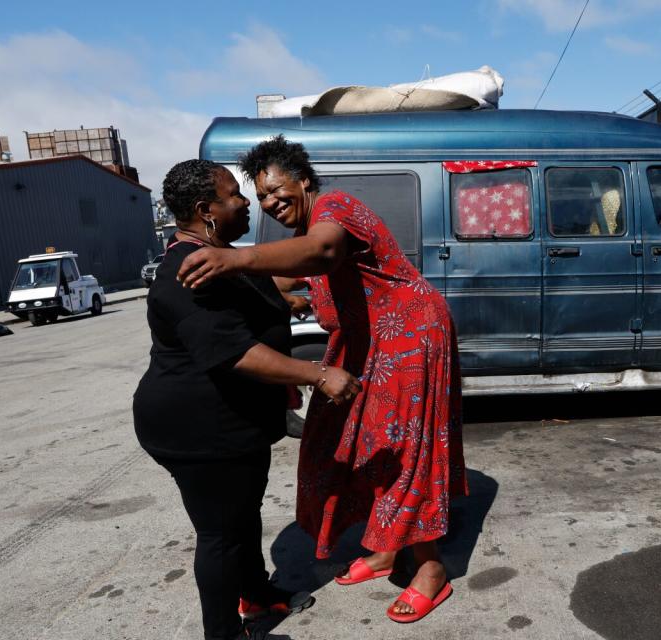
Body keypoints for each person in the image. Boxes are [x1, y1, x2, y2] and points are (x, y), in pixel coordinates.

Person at [176, 137, 467, 624]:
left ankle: (431, 568)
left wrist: (235, 258)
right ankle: (385, 547)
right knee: (342, 443)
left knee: (404, 451)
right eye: (261, 195)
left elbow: (323, 252)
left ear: (304, 180)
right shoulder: (311, 224)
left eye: (276, 189)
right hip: (371, 343)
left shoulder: (335, 208)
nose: (269, 202)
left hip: (412, 337)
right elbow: (296, 279)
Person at [133, 159, 362, 640]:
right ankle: (223, 633)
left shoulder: (218, 253)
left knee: (241, 516)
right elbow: (233, 352)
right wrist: (317, 375)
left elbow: (258, 280)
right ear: (205, 210)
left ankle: (257, 595)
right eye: (235, 194)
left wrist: (294, 297)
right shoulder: (188, 270)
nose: (245, 203)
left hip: (231, 421)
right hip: (197, 426)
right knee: (220, 533)